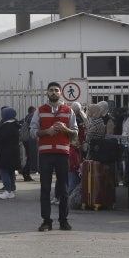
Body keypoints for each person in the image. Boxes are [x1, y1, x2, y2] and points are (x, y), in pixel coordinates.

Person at [31, 82, 78, 232]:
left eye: (56, 90)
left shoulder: (68, 110)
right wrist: (47, 131)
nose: (53, 92)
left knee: (63, 188)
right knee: (45, 188)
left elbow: (75, 133)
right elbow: (32, 131)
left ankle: (63, 220)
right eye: (51, 90)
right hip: (45, 154)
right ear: (47, 93)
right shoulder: (40, 111)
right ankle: (46, 221)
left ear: (61, 93)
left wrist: (65, 129)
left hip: (62, 154)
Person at [0, 107, 21, 200]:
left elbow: (1, 138)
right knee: (11, 171)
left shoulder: (7, 126)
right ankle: (11, 190)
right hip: (13, 152)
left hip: (5, 153)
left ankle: (8, 190)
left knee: (4, 171)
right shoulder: (15, 125)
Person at [21, 106, 36, 181]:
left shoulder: (25, 118)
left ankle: (26, 172)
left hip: (25, 139)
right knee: (31, 156)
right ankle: (25, 172)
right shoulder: (32, 117)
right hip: (30, 140)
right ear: (33, 111)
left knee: (29, 156)